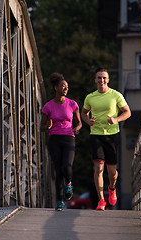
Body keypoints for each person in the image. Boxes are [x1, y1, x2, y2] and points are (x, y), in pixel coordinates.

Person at [81, 68, 131, 211]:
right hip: (96, 135)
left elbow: (127, 112)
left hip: (112, 136)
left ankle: (112, 188)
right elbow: (84, 113)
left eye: (104, 78)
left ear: (108, 80)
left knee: (112, 172)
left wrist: (116, 119)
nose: (101, 80)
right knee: (98, 168)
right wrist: (87, 121)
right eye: (99, 78)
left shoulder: (116, 95)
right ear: (95, 80)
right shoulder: (90, 97)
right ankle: (101, 200)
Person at [40, 72, 82, 211]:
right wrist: (48, 126)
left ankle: (68, 184)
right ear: (56, 87)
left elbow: (79, 123)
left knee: (67, 166)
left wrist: (77, 127)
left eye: (67, 87)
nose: (66, 89)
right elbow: (41, 127)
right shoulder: (48, 106)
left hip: (69, 138)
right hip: (54, 139)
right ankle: (59, 202)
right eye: (63, 86)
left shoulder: (72, 104)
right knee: (58, 170)